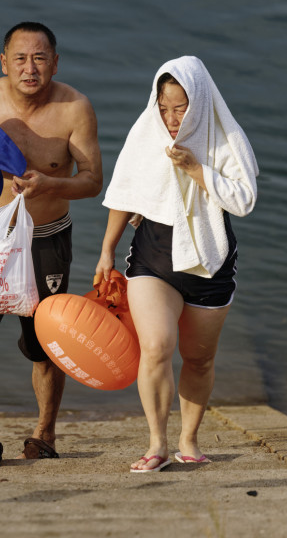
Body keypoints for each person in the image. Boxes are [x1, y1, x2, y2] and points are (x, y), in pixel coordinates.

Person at [0, 21, 102, 467]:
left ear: (54, 61)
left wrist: (49, 182)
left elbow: (91, 182)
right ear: (4, 62)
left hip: (47, 236)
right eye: (21, 58)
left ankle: (44, 432)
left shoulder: (74, 108)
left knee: (45, 344)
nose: (30, 68)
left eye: (40, 57)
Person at [95, 56, 259, 472]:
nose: (170, 118)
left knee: (199, 358)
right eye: (164, 106)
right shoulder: (146, 130)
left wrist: (196, 169)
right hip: (153, 254)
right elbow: (124, 192)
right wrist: (106, 251)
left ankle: (189, 439)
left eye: (180, 107)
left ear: (199, 101)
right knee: (155, 347)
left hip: (210, 262)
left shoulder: (226, 138)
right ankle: (157, 444)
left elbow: (244, 200)